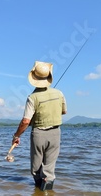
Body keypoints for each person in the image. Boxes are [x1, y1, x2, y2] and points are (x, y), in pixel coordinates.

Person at [11, 61, 67, 191]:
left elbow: (25, 121)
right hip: (55, 133)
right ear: (48, 77)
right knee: (49, 169)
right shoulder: (59, 93)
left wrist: (16, 136)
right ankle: (46, 191)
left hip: (38, 134)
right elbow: (63, 112)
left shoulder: (32, 97)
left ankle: (38, 190)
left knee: (36, 169)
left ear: (34, 78)